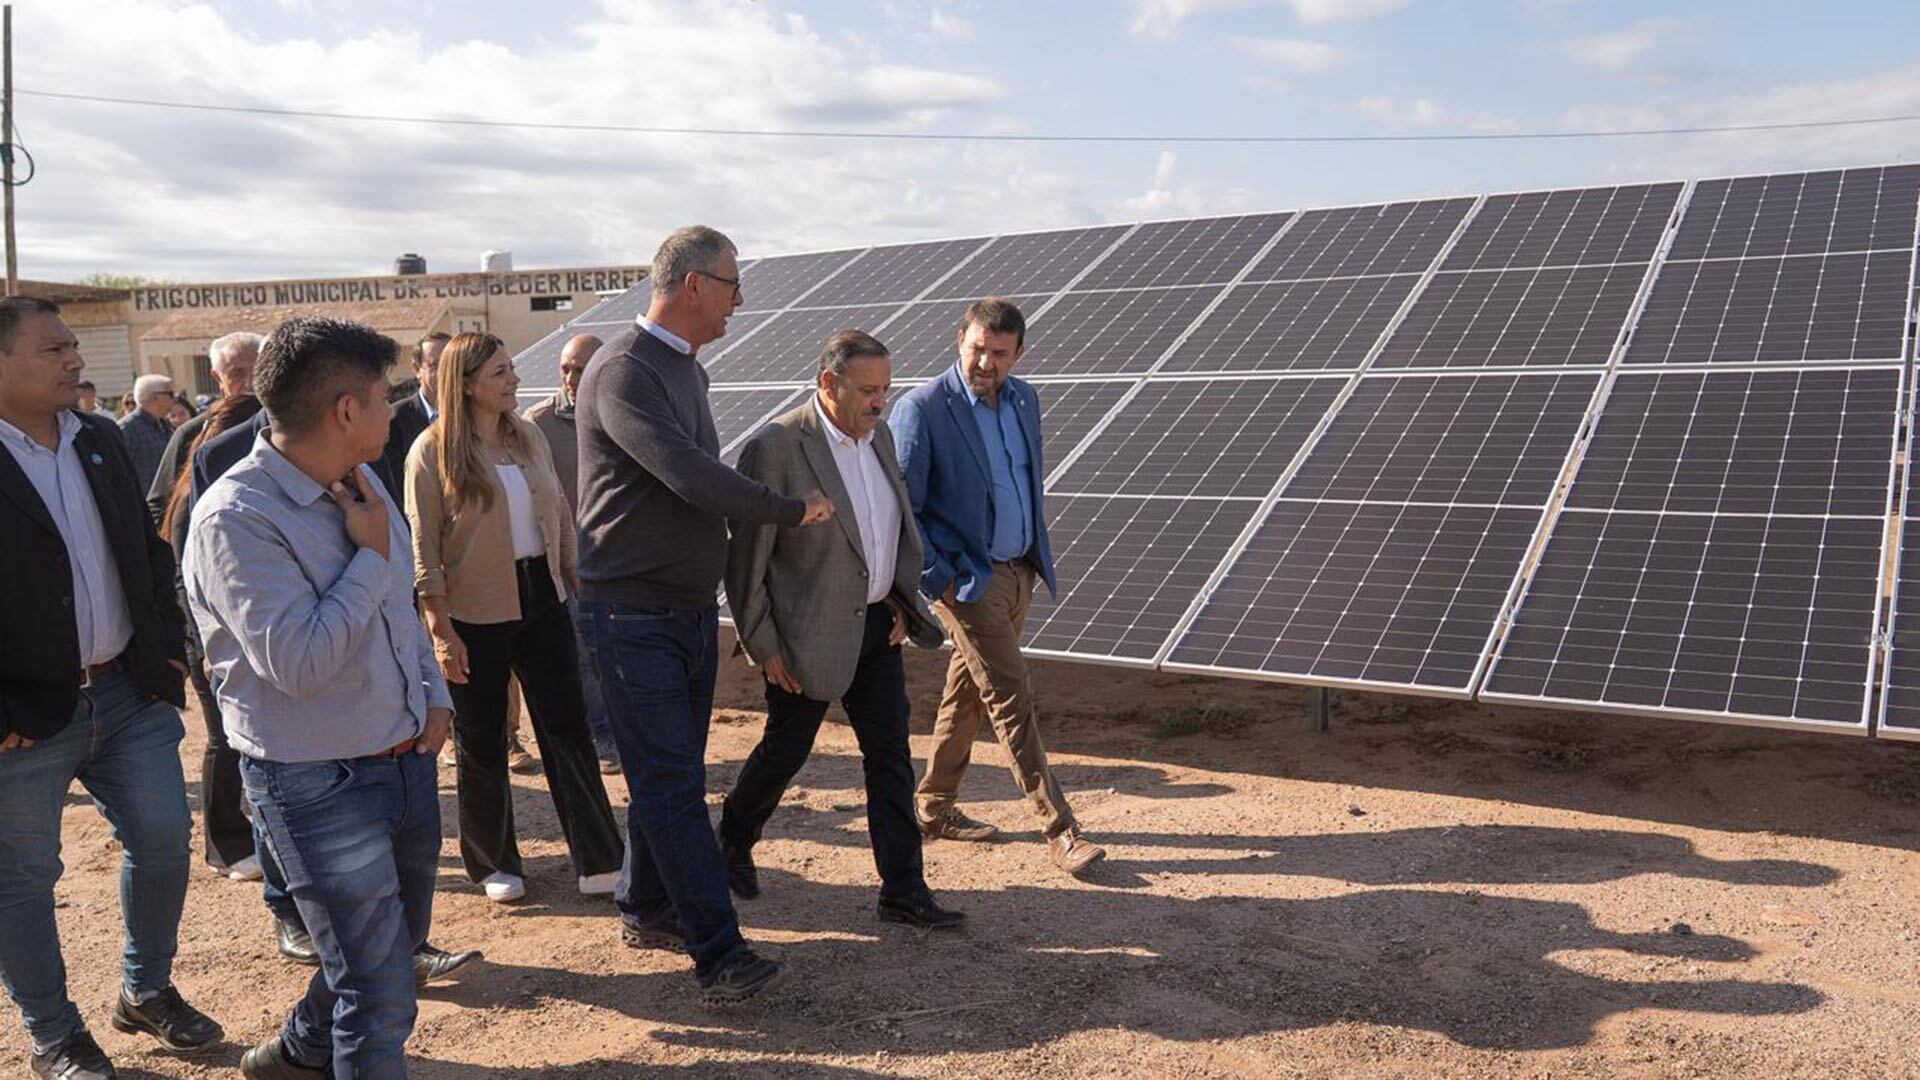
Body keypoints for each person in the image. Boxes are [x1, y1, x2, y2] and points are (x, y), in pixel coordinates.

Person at [184, 316, 453, 1079]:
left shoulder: (363, 481)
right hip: (317, 780)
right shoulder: (236, 518)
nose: (394, 408)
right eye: (384, 395)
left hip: (403, 756)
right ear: (345, 409)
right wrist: (368, 557)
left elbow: (398, 606)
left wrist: (433, 693)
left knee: (382, 952)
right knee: (380, 988)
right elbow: (298, 664)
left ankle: (297, 1054)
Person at [576, 225, 833, 1003]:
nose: (739, 300)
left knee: (669, 774)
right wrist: (787, 508)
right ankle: (719, 953)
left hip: (683, 610)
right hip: (631, 616)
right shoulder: (623, 369)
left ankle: (645, 903)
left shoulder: (685, 368)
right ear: (692, 285)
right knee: (673, 786)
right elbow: (688, 474)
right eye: (731, 284)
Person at [0, 297, 222, 1080]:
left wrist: (165, 655)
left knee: (163, 842)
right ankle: (55, 1035)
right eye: (52, 348)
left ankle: (145, 990)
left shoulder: (96, 438)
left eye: (72, 345)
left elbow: (147, 552)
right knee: (22, 878)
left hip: (127, 693)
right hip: (22, 718)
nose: (74, 359)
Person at [722, 330, 964, 929]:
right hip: (803, 635)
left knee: (890, 755)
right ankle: (730, 841)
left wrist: (901, 603)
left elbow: (886, 531)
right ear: (828, 383)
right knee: (787, 748)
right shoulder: (777, 446)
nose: (880, 402)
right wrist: (763, 644)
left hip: (877, 627)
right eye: (867, 390)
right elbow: (747, 561)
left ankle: (903, 889)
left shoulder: (878, 437)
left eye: (886, 389)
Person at [893, 297, 1107, 877]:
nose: (986, 362)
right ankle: (1060, 828)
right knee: (1011, 694)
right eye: (977, 349)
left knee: (967, 690)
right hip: (967, 580)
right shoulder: (923, 408)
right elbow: (903, 509)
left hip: (1019, 570)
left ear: (1019, 354)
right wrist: (939, 579)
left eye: (1000, 353)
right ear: (958, 340)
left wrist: (1030, 557)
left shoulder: (1024, 400)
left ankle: (933, 806)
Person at [406, 332, 623, 904]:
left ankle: (600, 857)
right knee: (481, 740)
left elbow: (560, 514)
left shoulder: (528, 435)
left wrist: (575, 578)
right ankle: (493, 863)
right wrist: (441, 629)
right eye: (500, 373)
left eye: (511, 369)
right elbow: (424, 548)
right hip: (473, 611)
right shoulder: (431, 451)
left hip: (542, 597)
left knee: (567, 728)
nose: (515, 380)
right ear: (466, 384)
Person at [158, 392, 267, 883]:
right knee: (223, 740)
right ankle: (224, 845)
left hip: (223, 639)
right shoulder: (196, 501)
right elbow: (188, 582)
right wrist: (203, 645)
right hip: (207, 641)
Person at [524, 331, 619, 773]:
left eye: (580, 369)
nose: (570, 377)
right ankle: (602, 735)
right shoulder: (539, 424)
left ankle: (620, 730)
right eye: (565, 368)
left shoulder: (619, 412)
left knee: (618, 651)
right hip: (571, 561)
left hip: (618, 559)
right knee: (585, 652)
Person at [147, 331, 261, 531]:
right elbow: (159, 504)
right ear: (217, 377)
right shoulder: (193, 433)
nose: (250, 383)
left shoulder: (288, 425)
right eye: (237, 374)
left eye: (258, 372)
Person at [381, 331, 447, 504]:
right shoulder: (393, 420)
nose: (445, 372)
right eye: (435, 365)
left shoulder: (474, 415)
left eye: (451, 364)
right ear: (417, 369)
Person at [117, 373, 176, 491]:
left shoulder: (165, 426)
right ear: (154, 397)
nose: (174, 399)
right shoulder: (127, 429)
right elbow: (118, 473)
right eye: (170, 394)